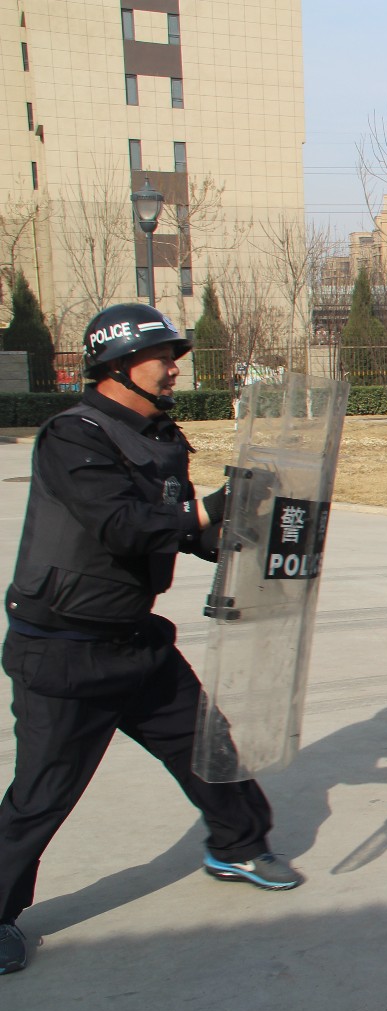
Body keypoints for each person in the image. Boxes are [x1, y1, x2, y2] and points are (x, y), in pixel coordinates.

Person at [0, 304, 299, 977]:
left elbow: (182, 531)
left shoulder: (160, 437)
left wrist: (233, 527)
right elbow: (123, 526)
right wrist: (209, 506)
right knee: (44, 790)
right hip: (64, 648)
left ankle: (236, 844)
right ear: (115, 363)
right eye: (161, 355)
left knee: (207, 746)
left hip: (136, 639)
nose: (174, 367)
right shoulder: (72, 437)